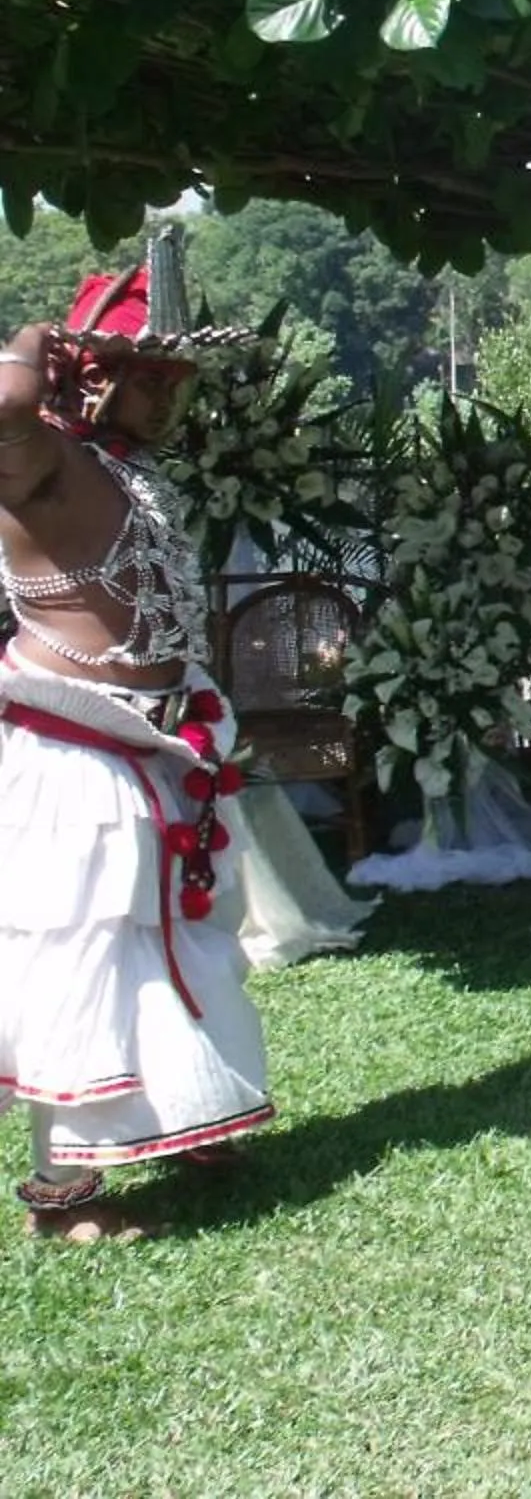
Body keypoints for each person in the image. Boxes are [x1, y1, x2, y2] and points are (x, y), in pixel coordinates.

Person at [0, 235, 272, 1241]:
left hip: (166, 744)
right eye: (151, 377)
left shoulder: (128, 469)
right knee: (79, 952)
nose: (172, 398)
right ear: (94, 380)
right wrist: (42, 338)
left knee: (187, 936)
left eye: (178, 380)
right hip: (77, 752)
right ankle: (60, 1198)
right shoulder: (44, 465)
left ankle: (194, 1120)